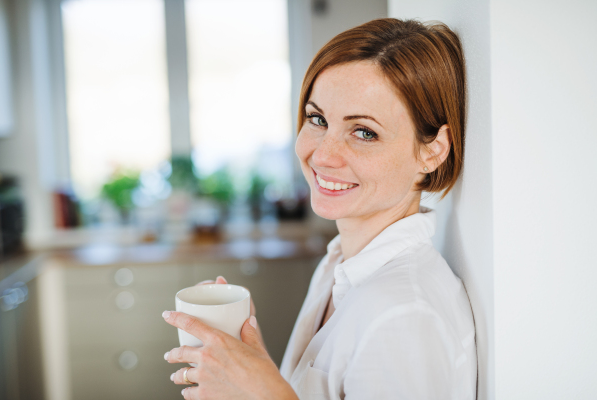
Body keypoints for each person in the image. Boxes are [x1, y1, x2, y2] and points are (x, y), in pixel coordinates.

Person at [162, 17, 477, 399]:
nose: (323, 155)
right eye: (317, 119)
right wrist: (251, 363)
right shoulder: (339, 266)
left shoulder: (403, 315)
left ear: (432, 151)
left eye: (364, 132)